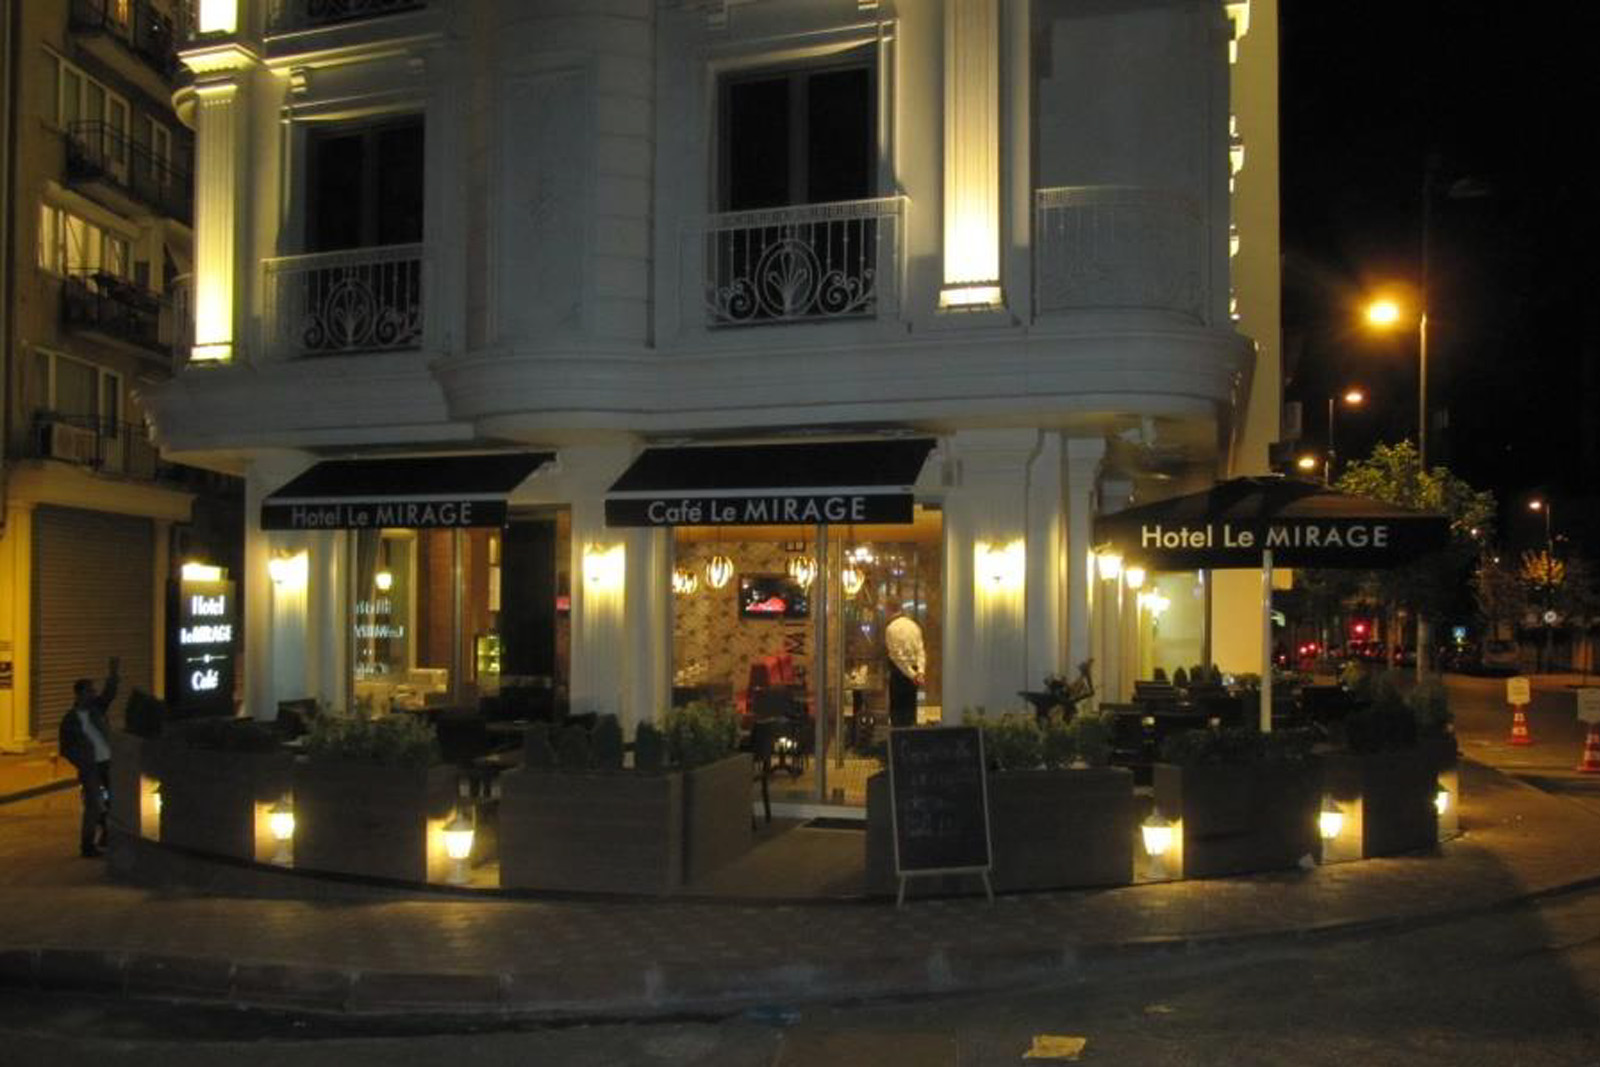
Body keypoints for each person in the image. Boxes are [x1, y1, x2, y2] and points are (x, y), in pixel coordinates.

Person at [59, 657, 119, 858]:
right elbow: (66, 748)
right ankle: (87, 845)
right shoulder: (70, 720)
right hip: (90, 767)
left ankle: (107, 835)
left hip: (107, 763)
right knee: (93, 805)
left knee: (113, 802)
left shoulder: (96, 710)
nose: (93, 694)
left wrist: (113, 674)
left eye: (93, 691)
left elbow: (109, 694)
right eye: (89, 691)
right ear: (79, 694)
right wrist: (82, 762)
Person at [884, 610, 924, 728]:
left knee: (898, 713)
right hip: (914, 670)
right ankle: (911, 733)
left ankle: (898, 735)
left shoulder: (891, 628)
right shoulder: (914, 626)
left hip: (898, 672)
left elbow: (897, 656)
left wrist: (912, 675)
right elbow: (920, 651)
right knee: (911, 709)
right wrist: (920, 672)